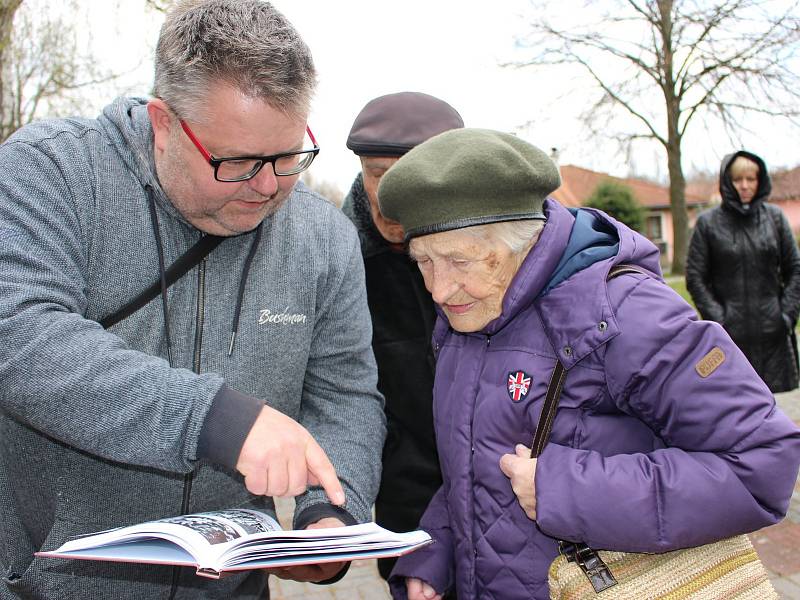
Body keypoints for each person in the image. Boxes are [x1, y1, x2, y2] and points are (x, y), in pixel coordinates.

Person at [0, 1, 386, 598]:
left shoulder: (324, 238)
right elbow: (19, 333)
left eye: (287, 157)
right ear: (163, 122)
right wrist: (215, 420)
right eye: (236, 161)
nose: (267, 186)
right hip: (49, 582)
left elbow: (344, 392)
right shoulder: (53, 172)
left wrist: (331, 518)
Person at [374, 128, 800, 600]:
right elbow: (474, 464)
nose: (438, 290)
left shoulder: (627, 313)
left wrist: (565, 491)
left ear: (524, 241)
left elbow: (761, 465)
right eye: (423, 263)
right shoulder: (465, 316)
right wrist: (436, 557)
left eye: (459, 261)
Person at [341, 91, 463, 582]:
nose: (388, 195)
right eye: (377, 174)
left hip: (507, 495)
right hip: (407, 511)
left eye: (409, 175)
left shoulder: (488, 249)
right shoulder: (341, 261)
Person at [686, 150, 800, 393]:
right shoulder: (708, 223)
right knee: (735, 405)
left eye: (751, 179)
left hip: (772, 330)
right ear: (727, 182)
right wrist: (720, 318)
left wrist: (786, 315)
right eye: (738, 180)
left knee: (773, 410)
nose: (745, 186)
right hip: (731, 335)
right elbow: (695, 277)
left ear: (760, 180)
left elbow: (795, 269)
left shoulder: (775, 219)